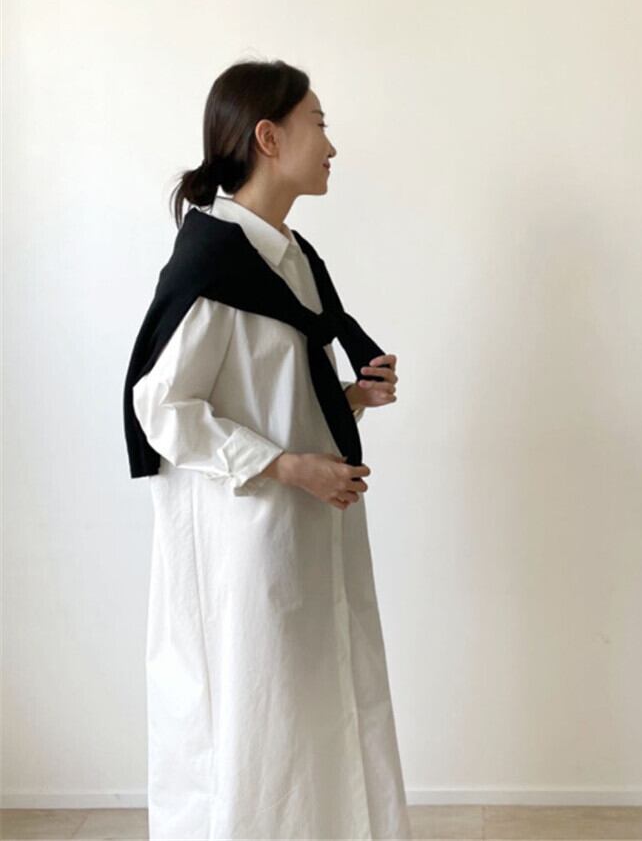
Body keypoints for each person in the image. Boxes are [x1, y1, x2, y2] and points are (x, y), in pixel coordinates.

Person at [126, 59, 412, 840]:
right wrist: (286, 466)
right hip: (245, 542)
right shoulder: (215, 260)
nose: (332, 145)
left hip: (305, 529)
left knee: (318, 710)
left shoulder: (292, 258)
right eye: (318, 123)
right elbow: (160, 406)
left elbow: (270, 392)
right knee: (257, 725)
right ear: (268, 137)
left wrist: (353, 398)